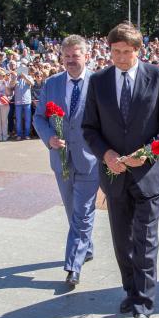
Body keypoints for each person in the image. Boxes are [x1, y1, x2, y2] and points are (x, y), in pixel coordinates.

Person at [82, 22, 159, 318]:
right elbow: (89, 128)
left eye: (126, 51)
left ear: (139, 50)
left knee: (145, 240)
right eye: (115, 51)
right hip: (114, 175)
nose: (121, 58)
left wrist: (146, 153)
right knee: (122, 241)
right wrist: (106, 154)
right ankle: (131, 290)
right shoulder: (98, 81)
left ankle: (144, 305)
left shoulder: (158, 76)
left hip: (149, 175)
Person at [34, 35, 99, 287]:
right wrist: (49, 137)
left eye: (75, 56)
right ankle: (86, 247)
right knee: (72, 209)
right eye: (67, 56)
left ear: (87, 56)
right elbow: (39, 118)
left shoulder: (98, 84)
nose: (71, 60)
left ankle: (73, 265)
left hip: (89, 160)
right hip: (61, 160)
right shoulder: (52, 84)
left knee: (82, 212)